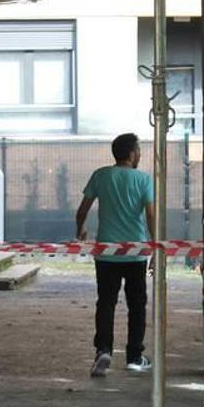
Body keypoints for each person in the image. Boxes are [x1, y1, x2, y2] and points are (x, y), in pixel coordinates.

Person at [75, 133, 155, 377]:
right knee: (137, 304)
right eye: (139, 150)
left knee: (106, 302)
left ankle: (103, 350)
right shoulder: (143, 179)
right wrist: (155, 246)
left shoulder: (101, 175)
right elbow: (151, 215)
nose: (140, 154)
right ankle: (134, 356)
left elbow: (82, 210)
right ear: (131, 154)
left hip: (106, 252)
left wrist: (81, 229)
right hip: (135, 253)